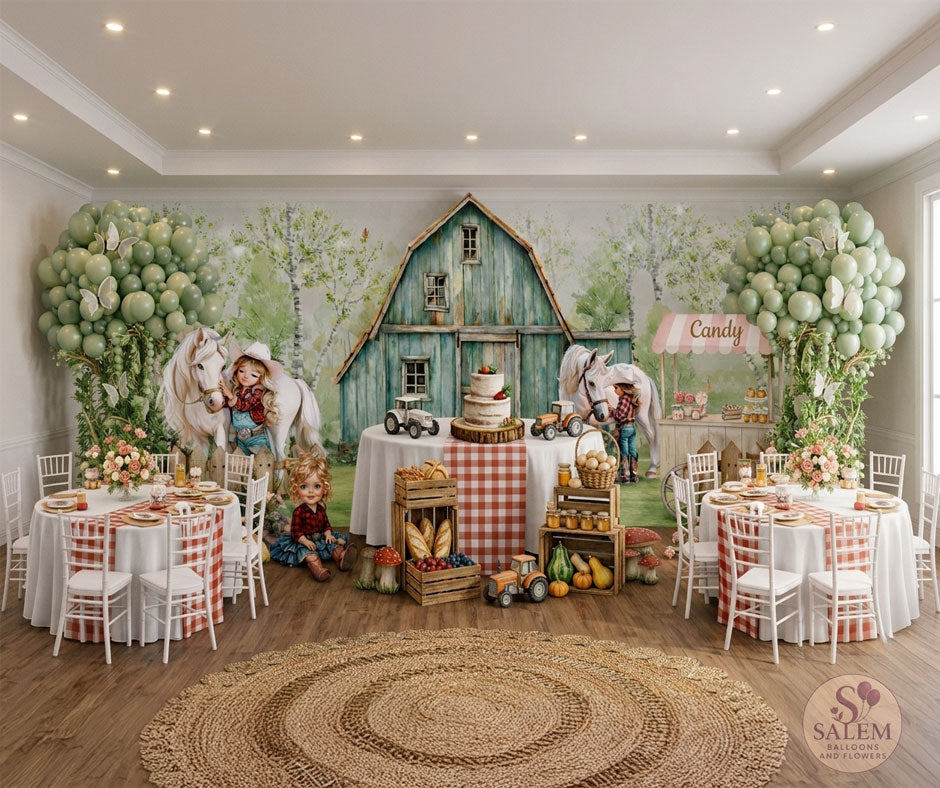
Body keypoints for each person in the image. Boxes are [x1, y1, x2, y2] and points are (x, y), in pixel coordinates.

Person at [268, 451, 358, 581]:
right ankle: (318, 569)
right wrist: (305, 541)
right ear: (296, 489)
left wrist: (327, 533)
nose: (311, 491)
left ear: (324, 488)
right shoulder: (299, 511)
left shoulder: (321, 509)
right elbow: (296, 532)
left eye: (316, 486)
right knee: (308, 554)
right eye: (304, 486)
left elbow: (326, 524)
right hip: (304, 541)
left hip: (320, 538)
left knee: (333, 545)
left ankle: (341, 558)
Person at [219, 341, 281, 456]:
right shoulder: (237, 390)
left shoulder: (258, 392)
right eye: (242, 371)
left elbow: (245, 405)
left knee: (260, 464)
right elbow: (228, 404)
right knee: (241, 466)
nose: (246, 376)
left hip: (256, 438)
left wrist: (230, 395)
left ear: (261, 378)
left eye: (253, 375)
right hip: (239, 439)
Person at [611, 379, 640, 483]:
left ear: (623, 388)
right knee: (632, 450)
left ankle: (625, 475)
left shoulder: (624, 399)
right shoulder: (631, 398)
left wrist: (612, 411)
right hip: (632, 427)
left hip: (624, 428)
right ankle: (634, 475)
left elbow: (620, 415)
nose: (614, 390)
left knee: (624, 451)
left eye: (616, 388)